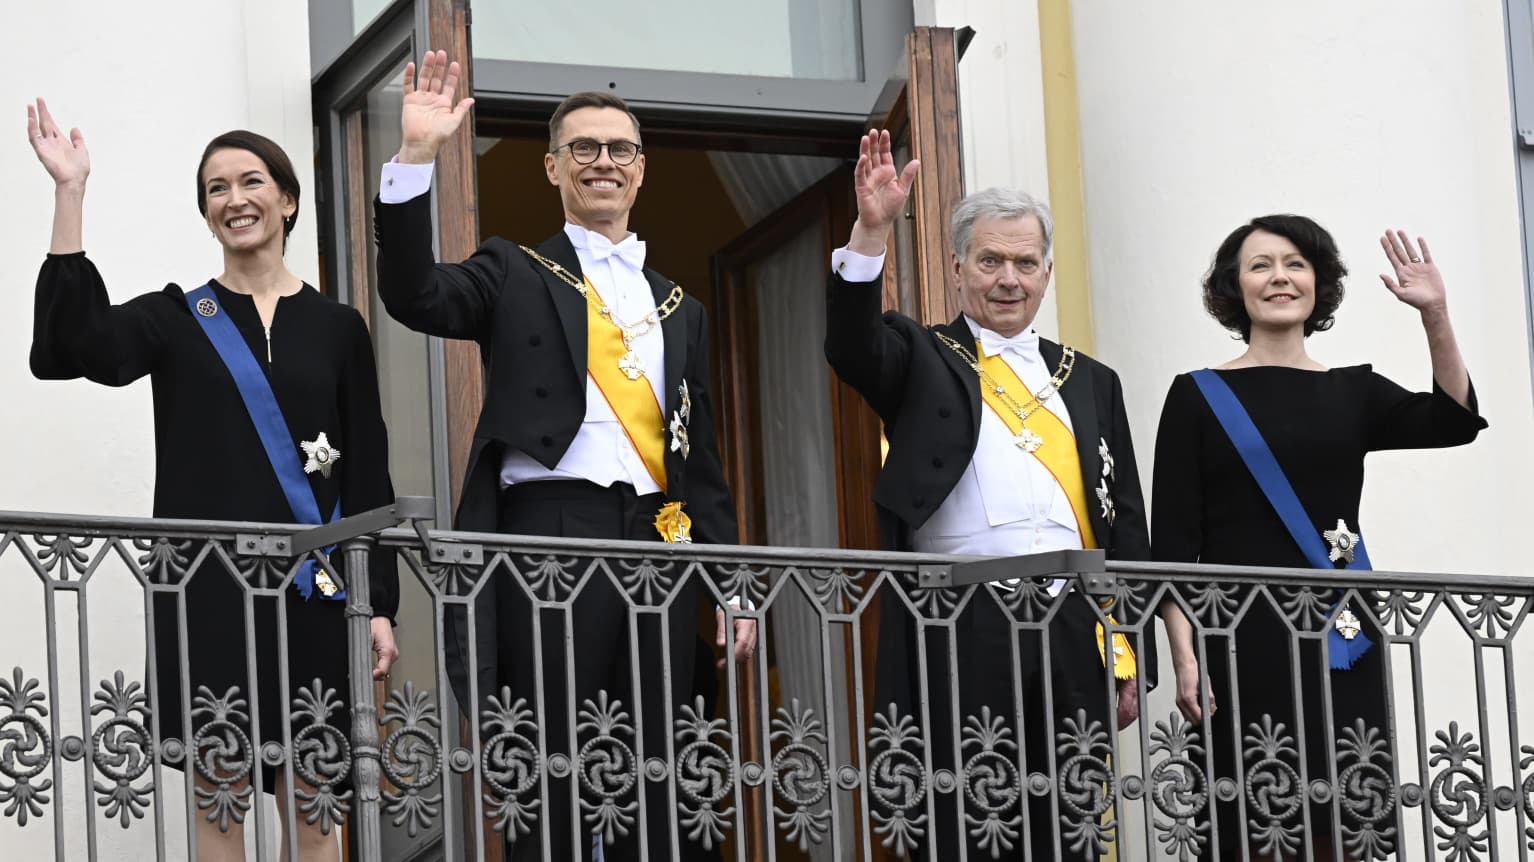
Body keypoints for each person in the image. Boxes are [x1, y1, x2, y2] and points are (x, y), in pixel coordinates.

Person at [370, 52, 755, 861]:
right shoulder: (513, 269)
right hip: (551, 533)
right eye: (583, 148)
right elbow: (414, 296)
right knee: (553, 756)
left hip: (660, 538)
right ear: (552, 166)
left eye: (619, 149)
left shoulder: (679, 306)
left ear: (642, 171)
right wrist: (414, 159)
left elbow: (702, 462)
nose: (602, 162)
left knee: (665, 756)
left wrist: (731, 586)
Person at [27, 99, 400, 861]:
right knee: (220, 802)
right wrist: (71, 194)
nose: (236, 199)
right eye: (217, 189)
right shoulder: (175, 319)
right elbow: (71, 346)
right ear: (206, 214)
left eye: (252, 180)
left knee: (315, 809)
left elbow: (369, 472)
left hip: (316, 593)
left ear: (287, 199)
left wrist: (380, 605)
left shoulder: (338, 328)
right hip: (208, 590)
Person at [824, 130, 1151, 861]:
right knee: (968, 822)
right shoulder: (922, 356)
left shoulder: (1091, 379)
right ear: (958, 267)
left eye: (1025, 263)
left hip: (1074, 624)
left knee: (1071, 826)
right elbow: (851, 346)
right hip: (961, 615)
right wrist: (871, 232)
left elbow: (1126, 524)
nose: (1009, 278)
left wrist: (1132, 655)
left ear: (1047, 272)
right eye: (991, 260)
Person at [1152, 214, 1485, 859]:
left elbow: (1455, 420)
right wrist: (1186, 657)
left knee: (1348, 821)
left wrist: (1435, 315)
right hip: (1240, 636)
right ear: (1234, 288)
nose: (1280, 277)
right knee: (1253, 821)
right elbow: (1172, 541)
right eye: (1260, 265)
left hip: (1341, 633)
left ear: (1318, 283)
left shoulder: (1352, 391)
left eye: (1296, 264)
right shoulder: (1196, 396)